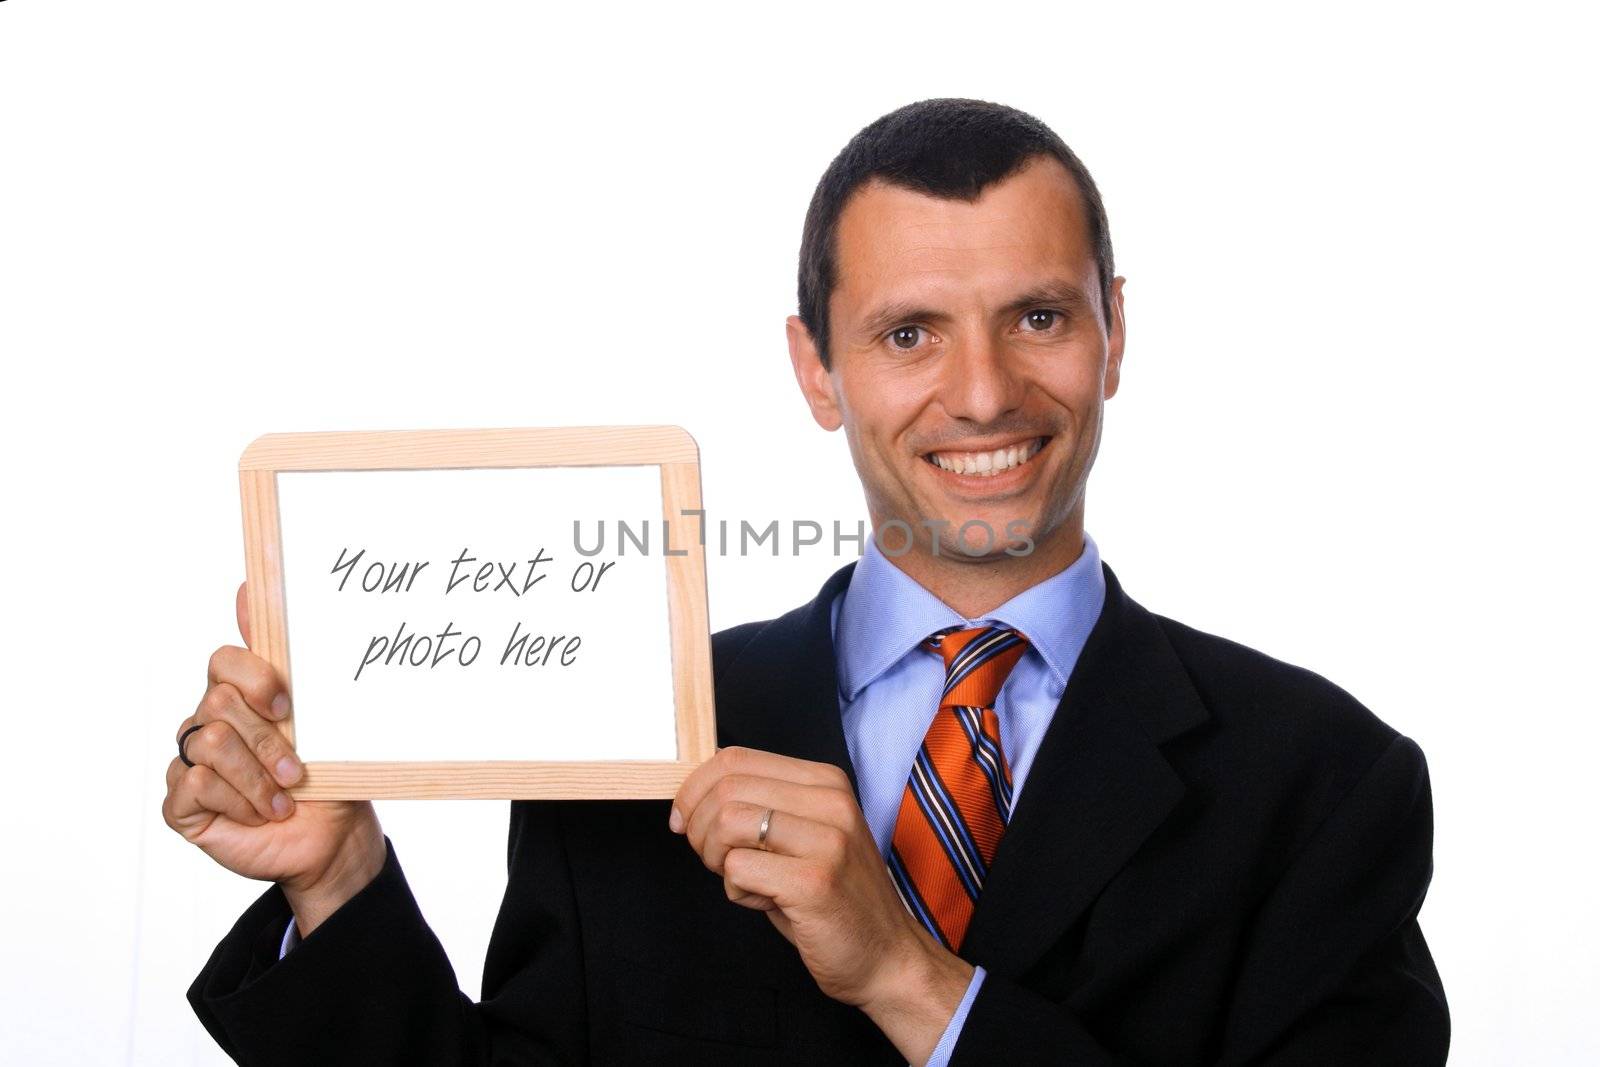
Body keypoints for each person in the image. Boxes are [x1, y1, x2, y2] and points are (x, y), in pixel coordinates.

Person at [166, 98, 1450, 1065]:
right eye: (908, 334)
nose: (987, 391)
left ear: (1115, 332)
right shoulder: (636, 720)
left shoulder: (1327, 783)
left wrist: (911, 977)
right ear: (816, 369)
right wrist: (332, 881)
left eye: (1039, 317)